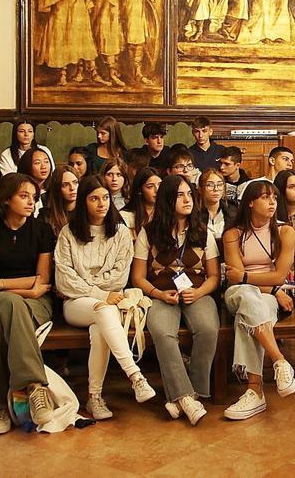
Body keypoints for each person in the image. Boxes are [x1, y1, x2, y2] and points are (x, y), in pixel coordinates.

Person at [54, 175, 157, 419]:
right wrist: (99, 292)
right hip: (75, 304)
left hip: (106, 304)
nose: (101, 203)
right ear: (83, 202)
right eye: (93, 199)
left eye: (105, 198)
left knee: (100, 327)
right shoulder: (69, 233)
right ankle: (135, 376)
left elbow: (119, 277)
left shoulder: (120, 232)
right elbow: (65, 279)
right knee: (103, 308)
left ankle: (94, 397)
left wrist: (97, 289)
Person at [0, 173, 56, 435]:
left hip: (34, 303)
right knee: (8, 305)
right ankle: (33, 386)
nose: (31, 202)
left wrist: (3, 284)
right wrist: (21, 289)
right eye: (23, 196)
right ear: (6, 200)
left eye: (33, 197)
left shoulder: (41, 229)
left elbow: (42, 281)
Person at [131, 175, 219, 425]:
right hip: (161, 295)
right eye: (180, 195)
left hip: (197, 293)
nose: (187, 199)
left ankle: (190, 394)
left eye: (190, 194)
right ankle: (185, 397)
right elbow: (138, 277)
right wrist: (158, 294)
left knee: (208, 329)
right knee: (162, 332)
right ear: (168, 200)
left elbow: (214, 277)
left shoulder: (203, 232)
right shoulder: (149, 233)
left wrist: (199, 292)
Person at [222, 181, 295, 420]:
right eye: (266, 198)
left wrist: (248, 276)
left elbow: (278, 275)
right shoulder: (233, 234)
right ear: (250, 202)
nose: (273, 202)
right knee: (246, 296)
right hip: (241, 293)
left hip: (267, 294)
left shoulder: (285, 231)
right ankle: (280, 361)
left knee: (251, 308)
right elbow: (235, 281)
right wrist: (274, 289)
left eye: (274, 198)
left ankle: (255, 392)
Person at [40, 164, 78, 236]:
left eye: (75, 182)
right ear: (57, 188)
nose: (72, 188)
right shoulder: (46, 216)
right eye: (65, 185)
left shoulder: (87, 212)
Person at [199, 168, 236, 242]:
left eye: (219, 184)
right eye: (210, 185)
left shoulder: (233, 211)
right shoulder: (194, 213)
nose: (216, 189)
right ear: (200, 189)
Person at [121, 167, 161, 234]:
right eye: (150, 186)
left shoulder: (168, 212)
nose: (157, 190)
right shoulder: (126, 216)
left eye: (160, 185)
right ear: (140, 191)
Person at [17, 148, 53, 217]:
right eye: (37, 163)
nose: (43, 166)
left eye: (46, 162)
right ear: (27, 165)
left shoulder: (54, 190)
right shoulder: (19, 190)